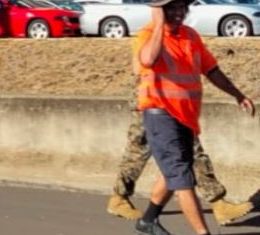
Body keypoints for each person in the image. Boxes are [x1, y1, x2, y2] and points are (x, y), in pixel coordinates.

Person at [131, 0, 255, 235]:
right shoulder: (148, 36)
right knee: (182, 177)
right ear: (159, 11)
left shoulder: (190, 36)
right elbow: (148, 60)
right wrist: (159, 24)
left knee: (173, 171)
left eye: (181, 7)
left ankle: (147, 221)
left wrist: (238, 94)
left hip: (186, 117)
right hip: (159, 113)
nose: (178, 13)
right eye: (171, 8)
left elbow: (211, 70)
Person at [106, 88, 253, 225]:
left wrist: (236, 94)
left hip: (175, 99)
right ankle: (120, 197)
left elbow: (207, 68)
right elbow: (144, 64)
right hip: (152, 98)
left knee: (189, 149)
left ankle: (218, 203)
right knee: (140, 149)